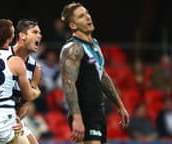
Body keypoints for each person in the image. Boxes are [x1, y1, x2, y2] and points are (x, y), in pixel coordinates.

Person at [59, 2, 130, 143]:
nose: (87, 17)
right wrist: (77, 117)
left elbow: (101, 75)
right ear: (73, 25)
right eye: (81, 16)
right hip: (84, 112)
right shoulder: (73, 48)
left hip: (97, 112)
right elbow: (68, 83)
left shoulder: (95, 45)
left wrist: (119, 104)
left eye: (87, 13)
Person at [8, 18, 42, 144]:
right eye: (35, 32)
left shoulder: (36, 69)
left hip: (14, 118)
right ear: (22, 36)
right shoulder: (3, 56)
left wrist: (18, 119)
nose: (40, 35)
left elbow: (26, 102)